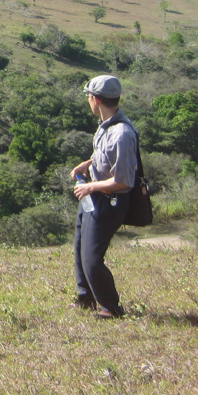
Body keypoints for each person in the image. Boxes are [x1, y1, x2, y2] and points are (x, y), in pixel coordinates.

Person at [69, 74, 138, 319]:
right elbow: (105, 156)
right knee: (80, 248)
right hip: (97, 196)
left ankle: (111, 308)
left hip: (110, 201)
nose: (88, 100)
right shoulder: (106, 125)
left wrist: (91, 187)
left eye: (89, 96)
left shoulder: (122, 133)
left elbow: (124, 180)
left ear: (95, 99)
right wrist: (87, 163)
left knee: (92, 258)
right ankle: (85, 297)